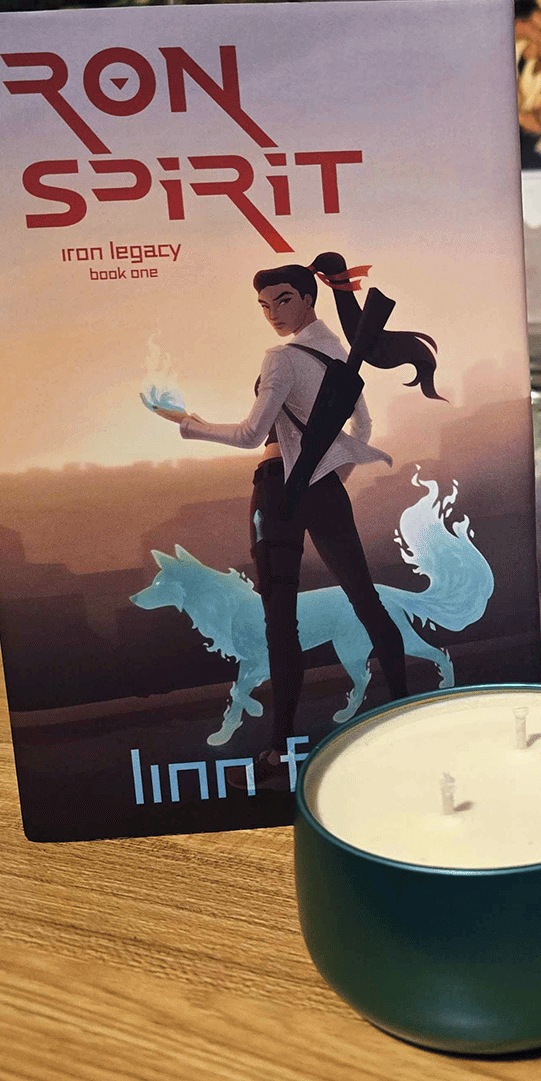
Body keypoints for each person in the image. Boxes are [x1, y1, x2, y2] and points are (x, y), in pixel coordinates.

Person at [153, 261, 409, 787]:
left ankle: (277, 752)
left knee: (280, 620)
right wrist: (328, 473)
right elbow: (362, 424)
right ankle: (406, 711)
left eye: (283, 300)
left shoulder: (280, 358)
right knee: (364, 598)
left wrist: (188, 425)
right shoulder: (336, 350)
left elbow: (252, 435)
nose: (273, 314)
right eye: (264, 306)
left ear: (309, 297)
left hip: (276, 488)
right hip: (325, 490)